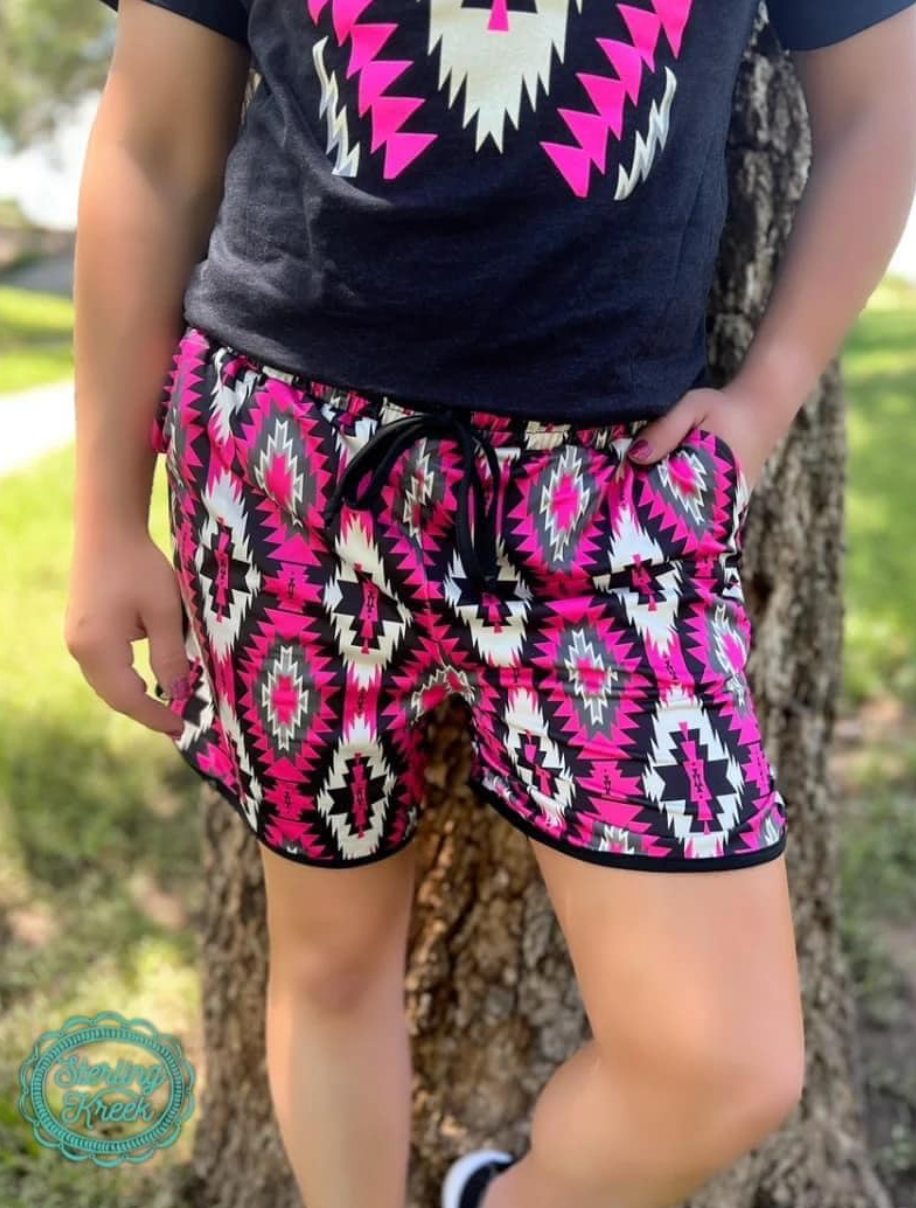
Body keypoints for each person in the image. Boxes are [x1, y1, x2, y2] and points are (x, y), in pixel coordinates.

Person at [66, 0, 916, 1203]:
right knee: (333, 961)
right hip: (289, 468)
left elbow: (882, 104)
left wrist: (768, 396)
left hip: (609, 496)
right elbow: (155, 136)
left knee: (723, 1064)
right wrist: (107, 513)